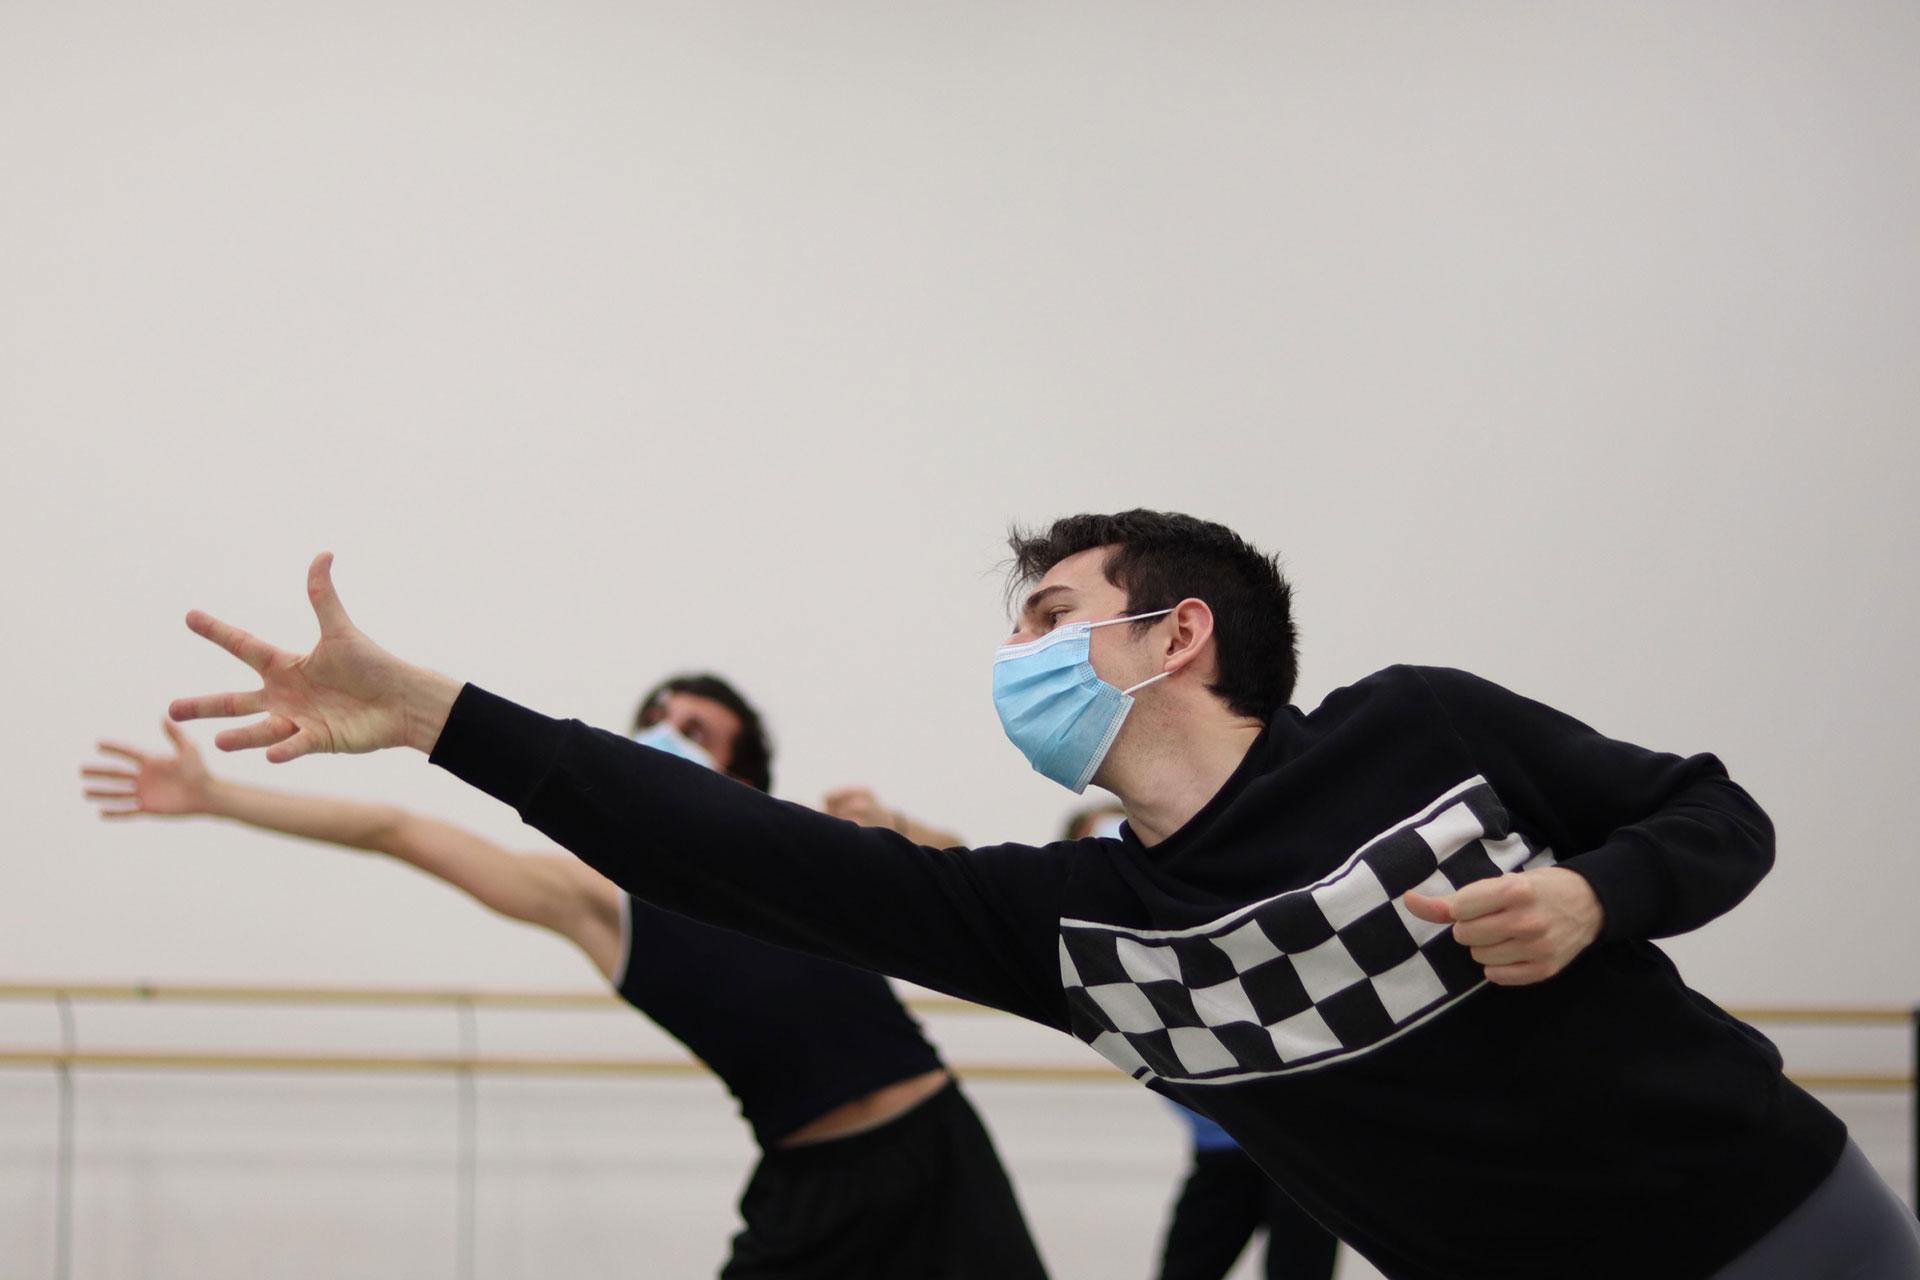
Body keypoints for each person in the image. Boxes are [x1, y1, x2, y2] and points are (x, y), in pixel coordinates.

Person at [161, 512, 1920, 1280]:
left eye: (1046, 609)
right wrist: (439, 720)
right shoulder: (1077, 933)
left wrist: (1603, 899)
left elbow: (1715, 812)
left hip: (1784, 1231)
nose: (1014, 651)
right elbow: (739, 855)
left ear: (1174, 632)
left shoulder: (1420, 729)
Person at [82, 673, 1051, 1280]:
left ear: (742, 770)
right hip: (808, 1183)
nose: (670, 729)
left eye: (697, 726)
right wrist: (217, 796)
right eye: (656, 721)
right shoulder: (600, 902)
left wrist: (898, 825)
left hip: (938, 1154)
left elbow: (967, 904)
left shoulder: (806, 853)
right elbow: (395, 830)